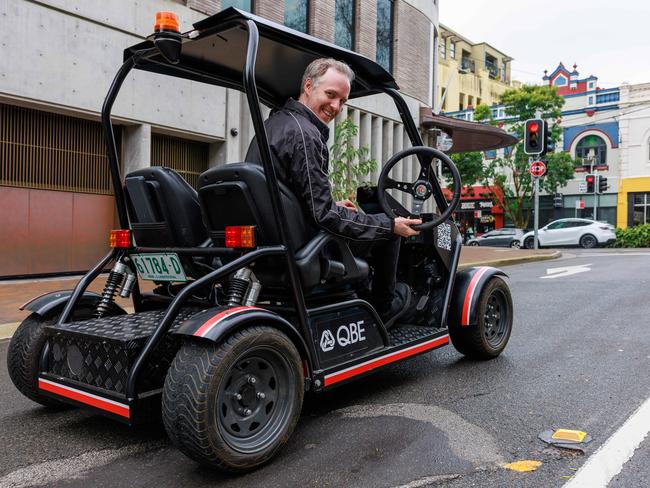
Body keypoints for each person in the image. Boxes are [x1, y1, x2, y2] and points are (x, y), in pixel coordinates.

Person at [245, 58, 422, 328]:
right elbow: (324, 215)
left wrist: (331, 204)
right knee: (388, 232)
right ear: (308, 86)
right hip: (302, 245)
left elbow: (287, 192)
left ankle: (358, 299)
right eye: (330, 95)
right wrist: (389, 224)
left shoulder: (273, 126)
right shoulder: (305, 134)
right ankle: (383, 311)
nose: (336, 106)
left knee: (362, 225)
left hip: (276, 237)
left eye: (343, 100)